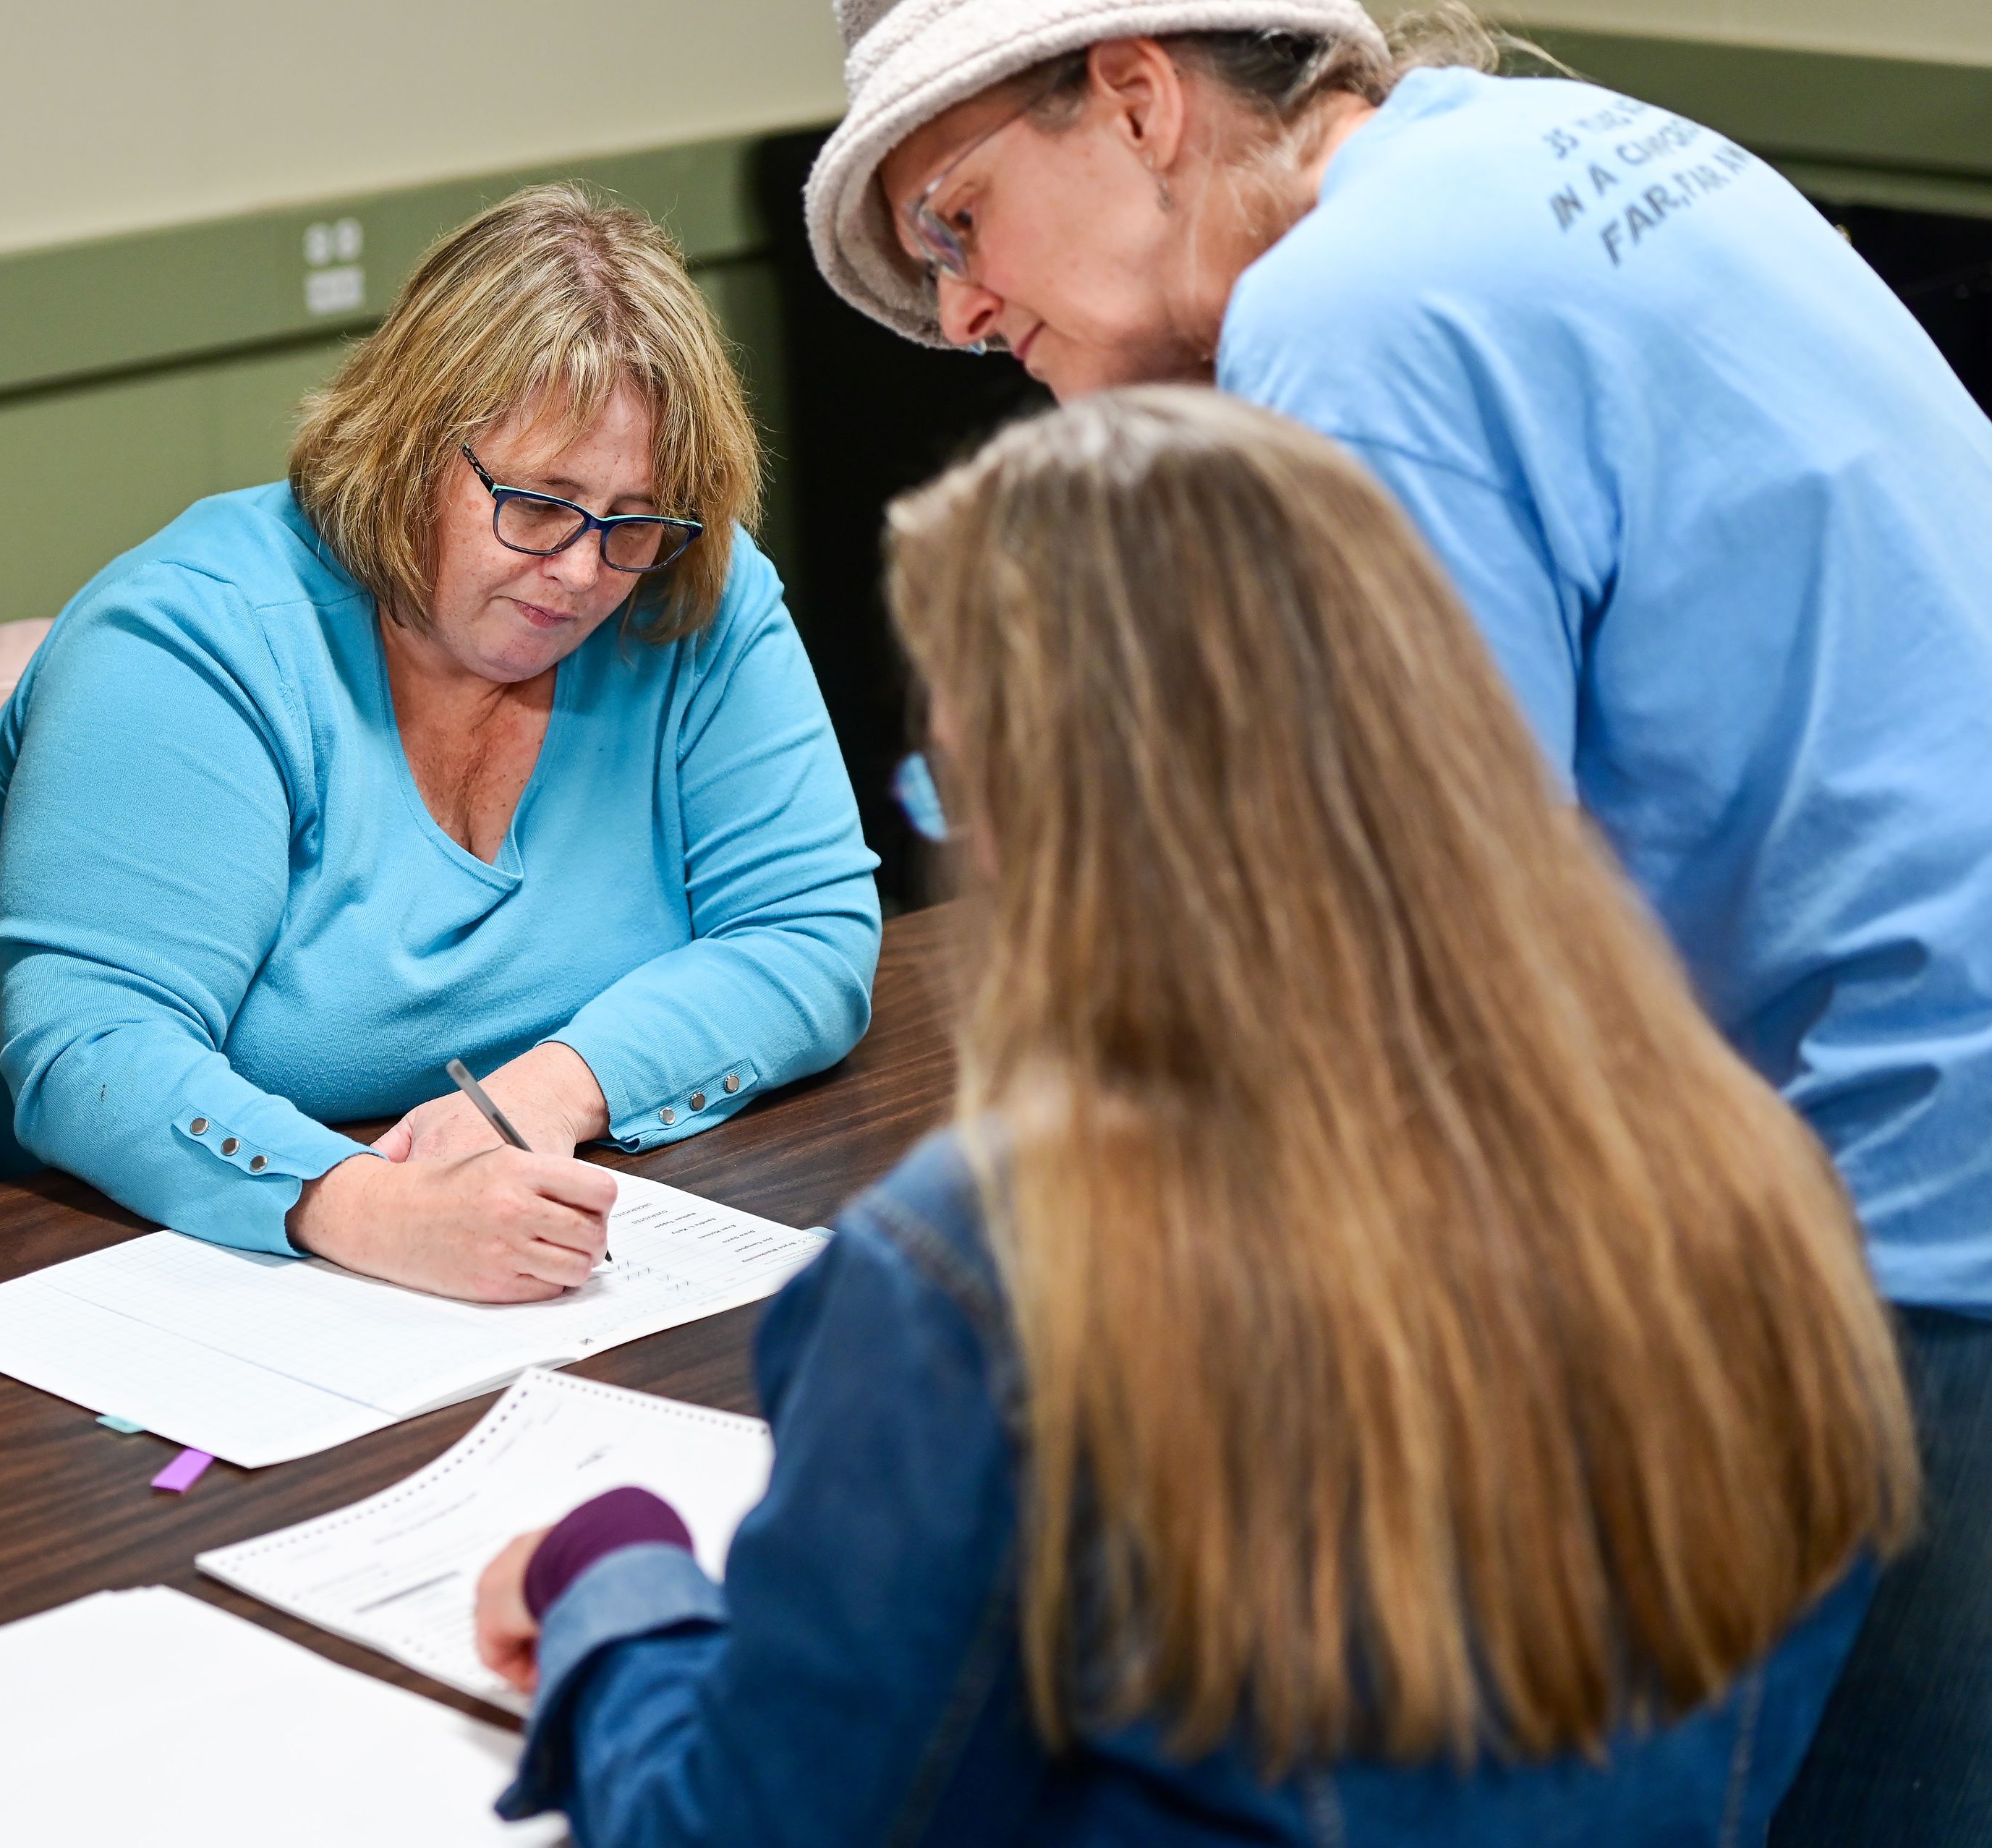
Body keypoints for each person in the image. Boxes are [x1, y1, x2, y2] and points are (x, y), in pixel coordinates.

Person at [800, 3, 1992, 1834]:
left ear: (1136, 99)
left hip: (1916, 1214)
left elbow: (1401, 983)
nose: (960, 311)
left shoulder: (1349, 319)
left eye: (958, 222)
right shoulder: (1522, 156)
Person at [474, 389, 1917, 1847]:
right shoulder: (1744, 1165)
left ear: (1068, 820)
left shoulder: (991, 1274)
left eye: (948, 789)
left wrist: (616, 1585)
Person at [0, 185, 881, 1300]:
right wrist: (369, 1207)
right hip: (16, 1223)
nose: (584, 572)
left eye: (634, 516)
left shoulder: (686, 587)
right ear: (407, 447)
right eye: (538, 503)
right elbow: (96, 1053)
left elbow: (807, 930)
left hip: (468, 1193)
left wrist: (550, 1090)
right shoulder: (189, 637)